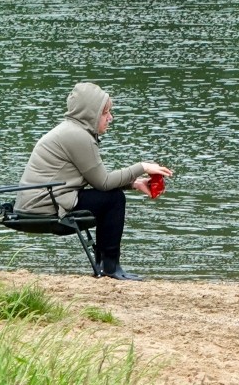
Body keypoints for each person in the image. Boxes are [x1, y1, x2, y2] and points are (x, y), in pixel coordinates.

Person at [18, 82, 173, 281]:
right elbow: (104, 183)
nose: (110, 118)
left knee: (111, 197)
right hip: (45, 206)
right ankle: (109, 266)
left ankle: (105, 265)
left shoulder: (72, 130)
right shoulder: (77, 136)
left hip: (44, 200)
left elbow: (98, 180)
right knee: (113, 199)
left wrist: (134, 183)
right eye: (105, 112)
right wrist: (141, 167)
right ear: (89, 113)